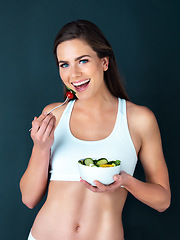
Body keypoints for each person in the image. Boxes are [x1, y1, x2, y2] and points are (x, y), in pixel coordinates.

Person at [20, 20, 171, 240]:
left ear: (104, 62)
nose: (74, 74)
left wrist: (126, 181)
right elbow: (29, 198)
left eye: (82, 61)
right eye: (64, 64)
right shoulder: (55, 114)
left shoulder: (139, 119)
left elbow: (163, 201)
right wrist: (41, 147)